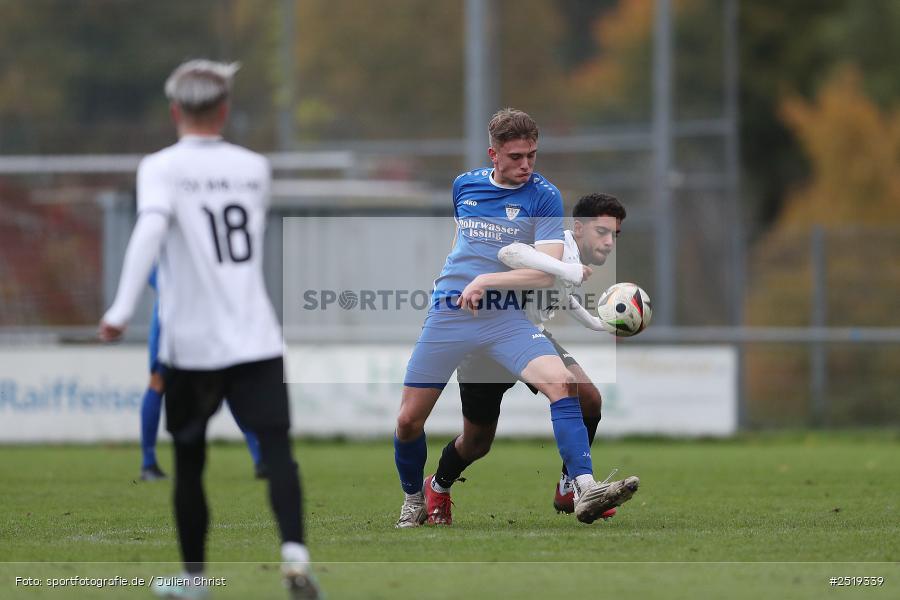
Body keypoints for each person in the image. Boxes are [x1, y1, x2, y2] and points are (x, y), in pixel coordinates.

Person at [98, 59, 319, 599]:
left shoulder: (160, 167)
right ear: (224, 110)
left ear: (174, 110)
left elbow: (151, 227)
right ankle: (296, 561)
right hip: (255, 336)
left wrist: (121, 308)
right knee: (278, 452)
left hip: (191, 344)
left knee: (190, 462)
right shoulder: (253, 166)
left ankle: (194, 579)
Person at [393, 108, 639, 528]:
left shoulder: (543, 196)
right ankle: (417, 499)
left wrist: (487, 282)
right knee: (413, 421)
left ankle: (583, 487)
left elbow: (545, 270)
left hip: (504, 318)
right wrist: (461, 281)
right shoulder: (464, 186)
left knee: (567, 387)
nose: (526, 165)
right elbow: (464, 243)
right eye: (516, 157)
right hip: (450, 313)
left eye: (532, 155)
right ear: (494, 155)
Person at [423, 193, 628, 525]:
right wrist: (565, 268)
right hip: (489, 342)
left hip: (528, 335)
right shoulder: (556, 245)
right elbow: (511, 252)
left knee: (588, 398)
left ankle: (574, 486)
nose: (608, 242)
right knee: (476, 442)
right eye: (602, 232)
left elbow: (563, 295)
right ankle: (437, 485)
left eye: (614, 235)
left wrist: (599, 324)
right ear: (578, 228)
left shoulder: (571, 261)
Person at [139, 267, 268, 482]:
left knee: (229, 382)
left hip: (208, 316)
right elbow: (150, 270)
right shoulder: (164, 235)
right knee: (158, 382)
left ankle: (261, 459)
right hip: (172, 318)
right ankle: (148, 463)